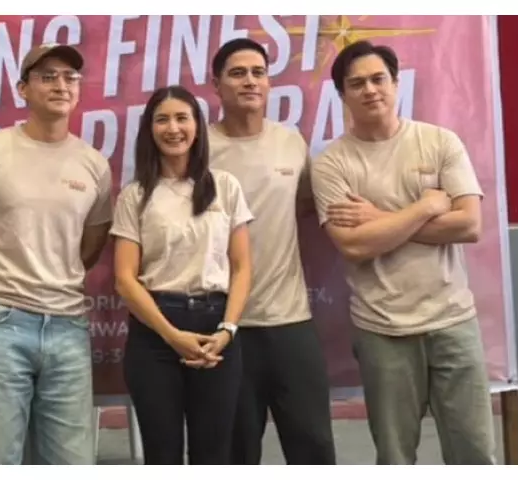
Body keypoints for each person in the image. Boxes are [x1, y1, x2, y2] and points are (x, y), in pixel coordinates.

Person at [310, 40, 496, 465]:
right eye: (357, 83)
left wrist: (378, 218)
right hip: (382, 329)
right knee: (395, 458)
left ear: (396, 84)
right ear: (342, 94)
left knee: (475, 453)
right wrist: (426, 207)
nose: (370, 90)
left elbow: (469, 225)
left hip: (453, 320)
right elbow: (354, 245)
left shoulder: (439, 141)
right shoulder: (332, 164)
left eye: (379, 79)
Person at [0, 43, 113, 465]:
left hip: (68, 325)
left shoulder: (94, 164)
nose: (61, 85)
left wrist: (57, 277)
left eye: (70, 77)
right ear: (23, 89)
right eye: (47, 77)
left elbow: (91, 246)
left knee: (72, 462)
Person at [207, 38, 337, 464]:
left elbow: (302, 204)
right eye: (237, 73)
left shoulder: (290, 142)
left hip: (289, 321)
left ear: (268, 83)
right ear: (216, 85)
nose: (250, 81)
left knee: (314, 448)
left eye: (258, 73)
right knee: (234, 455)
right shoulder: (197, 148)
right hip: (223, 324)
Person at [111, 85, 254, 464]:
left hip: (216, 331)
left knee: (214, 454)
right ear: (149, 129)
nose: (173, 129)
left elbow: (241, 267)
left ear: (197, 126)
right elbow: (125, 279)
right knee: (162, 454)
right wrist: (172, 336)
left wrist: (227, 330)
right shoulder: (135, 195)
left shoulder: (225, 186)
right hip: (156, 333)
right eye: (162, 120)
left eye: (181, 118)